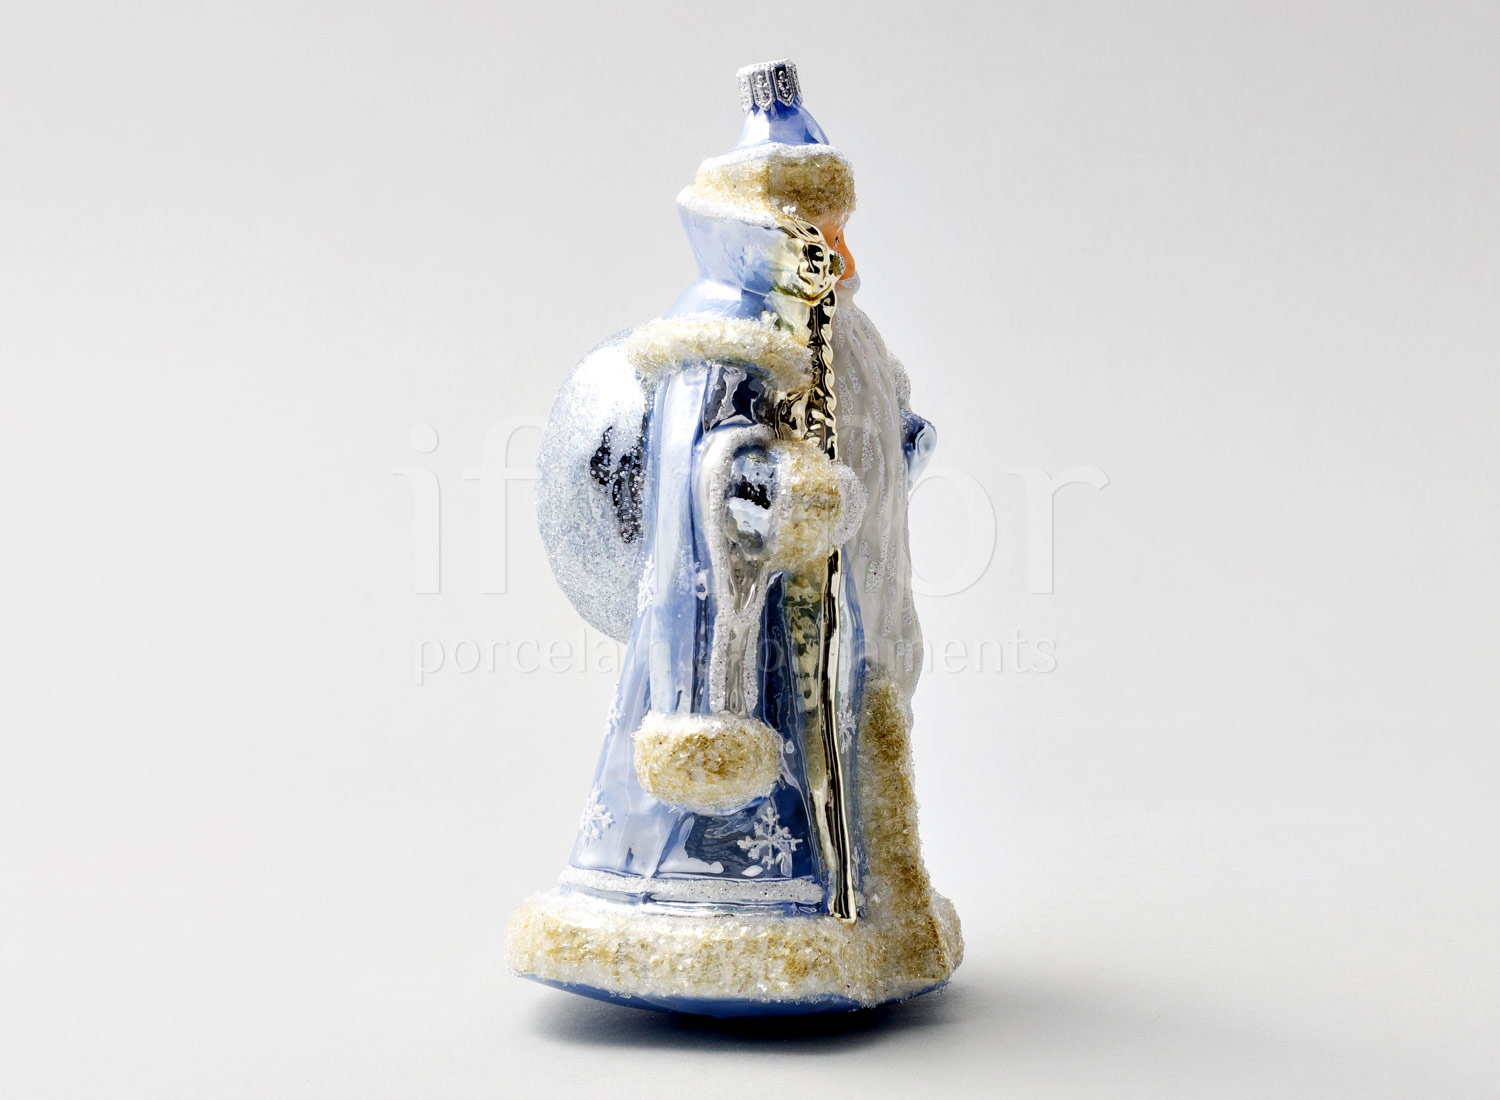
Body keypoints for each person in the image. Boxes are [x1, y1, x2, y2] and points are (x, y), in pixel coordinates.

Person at [510, 60, 960, 1016]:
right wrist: (773, 490)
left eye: (838, 226)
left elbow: (863, 438)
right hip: (750, 634)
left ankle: (867, 917)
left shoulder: (848, 335)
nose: (834, 249)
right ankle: (724, 923)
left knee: (854, 747)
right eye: (813, 228)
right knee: (780, 769)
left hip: (848, 616)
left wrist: (893, 448)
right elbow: (696, 469)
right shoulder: (720, 338)